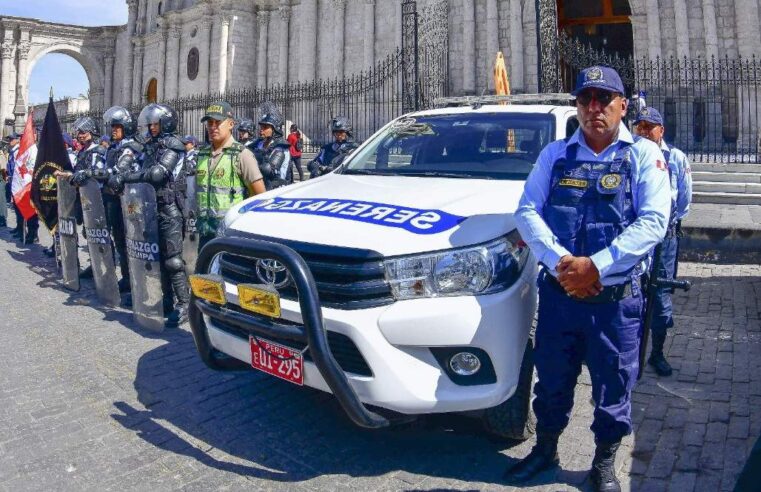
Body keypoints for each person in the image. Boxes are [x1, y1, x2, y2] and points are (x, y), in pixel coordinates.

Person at [510, 66, 671, 492]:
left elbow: (654, 222)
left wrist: (595, 267)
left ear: (623, 105)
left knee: (613, 386)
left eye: (604, 99)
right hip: (562, 296)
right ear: (577, 106)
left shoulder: (643, 156)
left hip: (615, 303)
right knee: (552, 378)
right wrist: (566, 265)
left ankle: (602, 464)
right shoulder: (556, 155)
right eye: (585, 100)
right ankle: (545, 451)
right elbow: (527, 211)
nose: (594, 108)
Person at [107, 103, 189, 326]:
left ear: (167, 122)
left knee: (173, 260)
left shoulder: (174, 145)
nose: (152, 128)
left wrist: (128, 178)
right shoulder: (151, 146)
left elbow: (157, 174)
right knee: (159, 258)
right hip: (151, 207)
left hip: (170, 208)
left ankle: (184, 303)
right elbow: (133, 160)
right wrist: (119, 173)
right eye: (150, 124)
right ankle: (167, 300)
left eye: (156, 123)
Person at [633, 107, 692, 377]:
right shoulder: (629, 154)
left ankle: (656, 352)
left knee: (660, 293)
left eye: (649, 126)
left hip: (665, 238)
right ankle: (631, 349)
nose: (644, 131)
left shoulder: (676, 159)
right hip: (636, 234)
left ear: (661, 130)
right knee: (633, 289)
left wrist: (666, 224)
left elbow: (684, 200)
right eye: (640, 126)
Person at [195, 101, 266, 248]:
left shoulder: (242, 155)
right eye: (209, 123)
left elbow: (259, 197)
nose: (213, 127)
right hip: (205, 234)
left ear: (231, 124)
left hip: (230, 236)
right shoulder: (202, 155)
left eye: (218, 122)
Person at [98, 106, 144, 294]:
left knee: (131, 241)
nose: (113, 130)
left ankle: (137, 280)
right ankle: (126, 277)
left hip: (129, 200)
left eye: (118, 127)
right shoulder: (114, 148)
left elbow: (119, 170)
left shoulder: (130, 148)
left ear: (127, 127)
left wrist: (95, 173)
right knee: (120, 241)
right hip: (113, 199)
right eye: (113, 127)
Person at [250, 111, 291, 190]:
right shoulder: (259, 143)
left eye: (265, 127)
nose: (261, 130)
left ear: (275, 129)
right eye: (261, 127)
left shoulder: (281, 147)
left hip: (276, 188)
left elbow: (268, 170)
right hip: (259, 184)